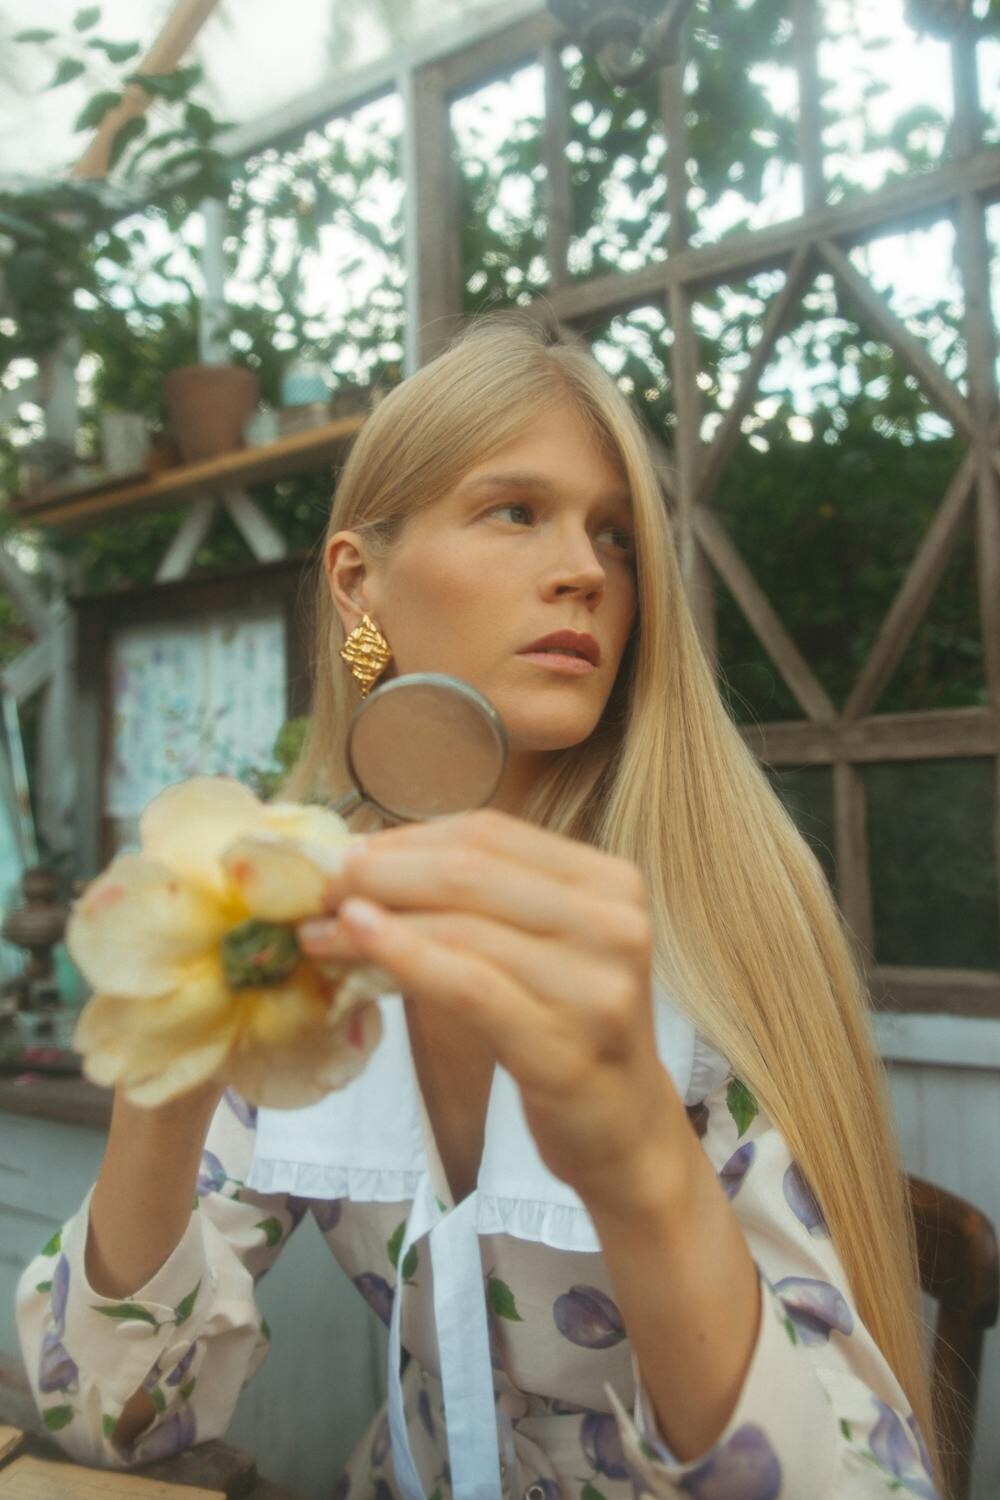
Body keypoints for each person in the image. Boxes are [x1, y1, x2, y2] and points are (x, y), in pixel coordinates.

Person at [17, 316, 943, 1499]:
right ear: (357, 582)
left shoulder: (713, 917)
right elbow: (118, 1421)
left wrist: (640, 1161)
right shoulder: (306, 914)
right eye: (515, 510)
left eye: (615, 534)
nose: (587, 571)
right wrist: (163, 1074)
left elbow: (866, 1479)